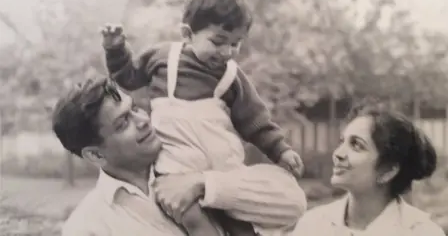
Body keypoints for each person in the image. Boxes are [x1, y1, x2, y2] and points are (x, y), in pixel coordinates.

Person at [101, 0, 304, 236]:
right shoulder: (163, 59)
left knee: (243, 228)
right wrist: (116, 50)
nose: (227, 51)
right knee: (194, 220)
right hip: (175, 173)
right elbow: (127, 78)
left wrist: (281, 151)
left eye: (235, 43)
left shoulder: (232, 77)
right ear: (188, 34)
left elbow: (256, 121)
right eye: (218, 41)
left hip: (224, 175)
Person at [52, 76, 307, 236]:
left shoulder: (191, 152)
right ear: (95, 155)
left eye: (136, 108)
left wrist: (203, 183)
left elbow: (293, 203)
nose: (142, 120)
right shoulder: (87, 226)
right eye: (122, 123)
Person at [291, 101, 446, 236]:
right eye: (342, 142)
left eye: (356, 145)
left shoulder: (422, 232)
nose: (338, 153)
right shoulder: (313, 226)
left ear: (388, 171)